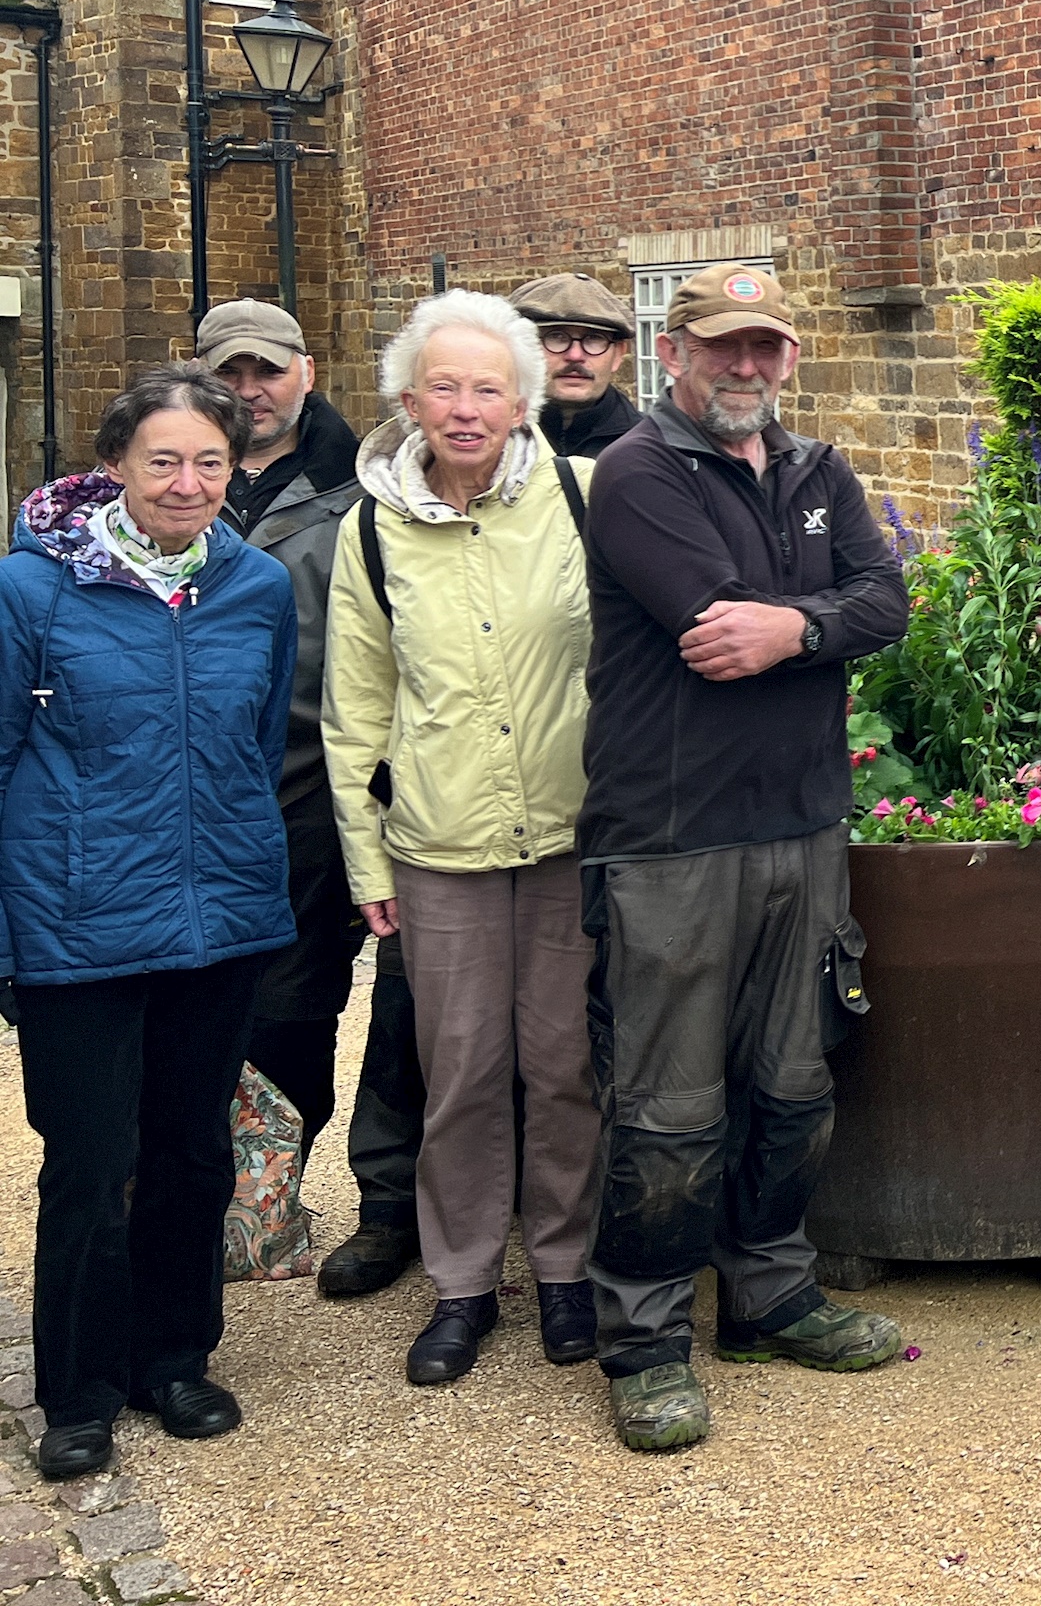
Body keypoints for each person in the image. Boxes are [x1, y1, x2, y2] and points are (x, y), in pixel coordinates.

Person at [575, 262, 910, 1453]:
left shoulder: (822, 470)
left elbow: (890, 602)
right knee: (666, 1100)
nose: (748, 369)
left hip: (805, 822)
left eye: (766, 348)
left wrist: (798, 625)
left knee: (794, 1078)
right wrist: (812, 619)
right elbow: (712, 628)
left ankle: (770, 1298)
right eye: (725, 348)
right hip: (672, 834)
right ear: (675, 355)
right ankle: (648, 1336)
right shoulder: (638, 474)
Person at [0, 368, 296, 1480]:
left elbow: (255, 750)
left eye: (209, 461)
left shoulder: (256, 587)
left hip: (216, 920)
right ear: (115, 466)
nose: (187, 482)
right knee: (89, 1161)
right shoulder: (31, 593)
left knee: (189, 1152)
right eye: (163, 460)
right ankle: (75, 1389)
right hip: (76, 922)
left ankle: (175, 1357)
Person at [322, 292, 603, 1386]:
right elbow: (355, 709)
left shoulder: (583, 498)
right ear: (408, 400)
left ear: (525, 402)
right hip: (440, 843)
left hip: (572, 834)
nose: (466, 407)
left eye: (489, 387)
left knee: (566, 1065)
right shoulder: (370, 528)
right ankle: (464, 1284)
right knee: (461, 1072)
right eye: (445, 386)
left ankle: (569, 1272)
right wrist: (365, 859)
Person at [196, 301, 373, 1200]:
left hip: (306, 787)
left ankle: (269, 1198)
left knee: (298, 1005)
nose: (249, 390)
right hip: (184, 793)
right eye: (229, 372)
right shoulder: (167, 479)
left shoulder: (364, 489)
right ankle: (184, 1192)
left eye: (266, 370)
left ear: (306, 371)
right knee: (185, 996)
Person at [514, 274, 644, 458]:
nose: (575, 356)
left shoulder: (652, 449)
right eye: (556, 337)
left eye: (594, 339)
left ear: (618, 354)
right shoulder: (491, 439)